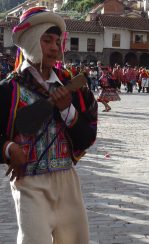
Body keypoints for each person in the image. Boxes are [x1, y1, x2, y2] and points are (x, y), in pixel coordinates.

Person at [0, 7, 98, 244]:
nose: (55, 48)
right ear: (31, 41)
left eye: (57, 41)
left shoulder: (72, 88)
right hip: (29, 182)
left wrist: (68, 111)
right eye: (47, 40)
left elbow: (86, 137)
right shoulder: (8, 90)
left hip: (67, 179)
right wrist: (8, 149)